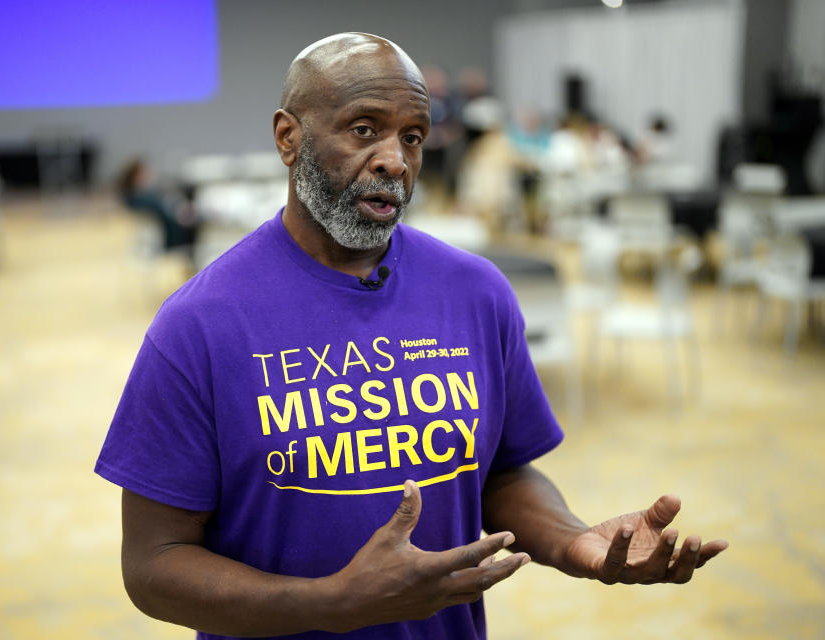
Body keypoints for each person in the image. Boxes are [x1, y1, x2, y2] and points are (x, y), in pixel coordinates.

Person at [95, 33, 727, 640]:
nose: (395, 160)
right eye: (364, 129)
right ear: (289, 138)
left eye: (413, 136)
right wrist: (329, 605)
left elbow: (501, 475)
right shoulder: (199, 324)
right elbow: (153, 564)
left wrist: (572, 541)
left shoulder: (475, 292)